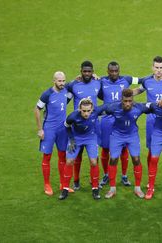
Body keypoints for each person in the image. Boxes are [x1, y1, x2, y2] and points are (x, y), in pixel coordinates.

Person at [133, 56, 162, 189]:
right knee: (153, 151)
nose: (159, 70)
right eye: (156, 68)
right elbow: (138, 90)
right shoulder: (147, 81)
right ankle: (150, 180)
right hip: (152, 121)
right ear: (153, 68)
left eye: (161, 68)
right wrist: (125, 93)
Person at [100, 89, 149, 199]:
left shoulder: (139, 107)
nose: (127, 104)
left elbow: (153, 107)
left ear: (133, 100)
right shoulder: (113, 107)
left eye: (130, 101)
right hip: (117, 135)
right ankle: (112, 189)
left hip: (132, 136)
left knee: (136, 159)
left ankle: (137, 188)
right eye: (125, 101)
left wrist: (161, 104)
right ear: (121, 99)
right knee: (113, 159)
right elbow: (98, 110)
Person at [98, 61, 140, 188]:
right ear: (108, 71)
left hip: (122, 117)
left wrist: (160, 75)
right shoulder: (101, 81)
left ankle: (124, 175)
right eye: (112, 71)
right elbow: (93, 88)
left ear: (119, 71)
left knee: (124, 147)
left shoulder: (127, 79)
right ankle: (106, 174)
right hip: (106, 119)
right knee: (105, 148)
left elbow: (143, 80)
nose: (114, 73)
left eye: (116, 71)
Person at [34, 71, 72, 196]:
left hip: (62, 130)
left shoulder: (66, 91)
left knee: (62, 156)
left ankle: (62, 184)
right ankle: (47, 184)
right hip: (49, 129)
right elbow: (37, 109)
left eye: (63, 81)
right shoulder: (47, 94)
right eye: (59, 81)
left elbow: (75, 86)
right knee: (47, 157)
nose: (62, 83)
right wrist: (40, 129)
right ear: (54, 81)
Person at [65, 60, 101, 191]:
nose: (87, 73)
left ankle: (94, 181)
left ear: (92, 72)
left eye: (89, 71)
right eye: (84, 71)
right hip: (77, 125)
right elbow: (63, 93)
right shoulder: (73, 84)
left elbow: (107, 90)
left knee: (94, 156)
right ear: (80, 71)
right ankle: (76, 180)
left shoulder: (98, 82)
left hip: (93, 125)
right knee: (77, 154)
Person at [59, 98, 103, 200]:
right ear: (79, 109)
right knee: (69, 161)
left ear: (92, 109)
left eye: (88, 111)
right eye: (84, 111)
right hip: (76, 138)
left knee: (94, 162)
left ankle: (95, 188)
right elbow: (66, 125)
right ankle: (65, 189)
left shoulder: (96, 112)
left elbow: (110, 107)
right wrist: (71, 138)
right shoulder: (73, 116)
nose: (86, 113)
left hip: (90, 138)